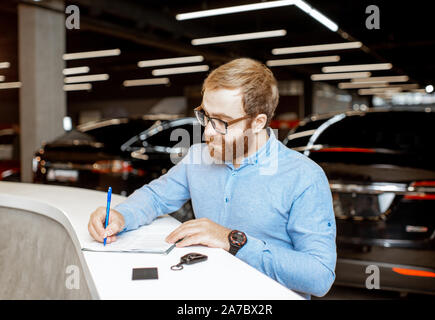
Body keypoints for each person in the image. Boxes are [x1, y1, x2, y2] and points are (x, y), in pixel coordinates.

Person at [88, 58, 336, 298]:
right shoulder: (198, 157)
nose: (207, 131)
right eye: (205, 116)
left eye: (221, 122)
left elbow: (319, 276)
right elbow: (155, 197)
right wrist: (122, 215)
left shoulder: (304, 177)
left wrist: (232, 240)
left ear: (258, 122)